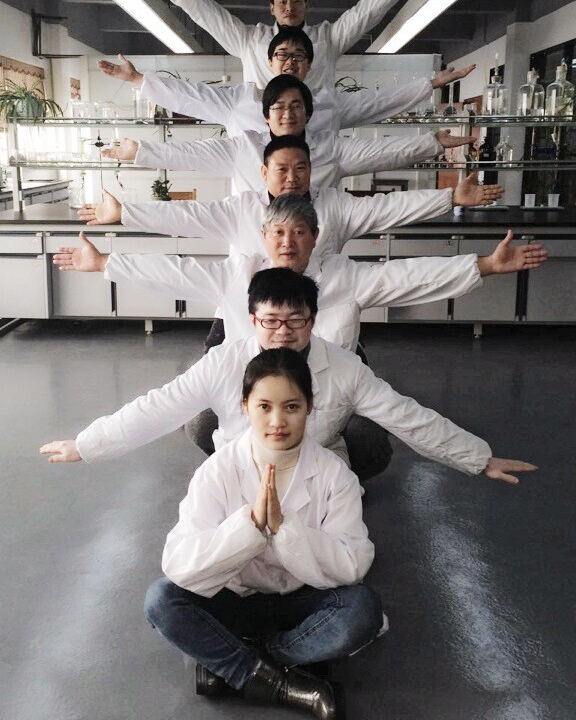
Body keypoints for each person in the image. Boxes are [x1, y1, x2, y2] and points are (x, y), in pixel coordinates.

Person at [40, 267, 538, 487]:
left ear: (313, 320)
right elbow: (160, 405)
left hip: (318, 471)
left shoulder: (342, 366)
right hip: (241, 469)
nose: (283, 332)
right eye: (270, 321)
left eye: (296, 320)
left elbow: (406, 415)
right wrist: (88, 444)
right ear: (251, 320)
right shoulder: (225, 361)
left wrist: (478, 458)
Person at [142, 349, 381, 717]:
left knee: (363, 611)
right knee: (161, 600)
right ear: (245, 406)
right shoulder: (218, 470)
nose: (277, 421)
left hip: (303, 602)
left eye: (291, 407)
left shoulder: (335, 475)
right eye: (264, 406)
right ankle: (287, 678)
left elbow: (353, 565)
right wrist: (250, 527)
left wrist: (286, 529)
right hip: (234, 599)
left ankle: (240, 665)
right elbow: (179, 564)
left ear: (310, 407)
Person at [53, 195, 548, 353]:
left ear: (315, 237)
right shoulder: (240, 274)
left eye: (298, 233)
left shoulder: (342, 275)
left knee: (370, 445)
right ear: (263, 238)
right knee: (202, 427)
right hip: (256, 392)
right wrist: (104, 263)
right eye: (278, 234)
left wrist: (485, 265)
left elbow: (406, 276)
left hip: (322, 392)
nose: (287, 243)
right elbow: (175, 272)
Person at [78, 135, 503, 260]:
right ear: (264, 173)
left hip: (319, 314)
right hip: (253, 318)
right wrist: (126, 213)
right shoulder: (242, 210)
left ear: (311, 171)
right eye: (281, 170)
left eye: (300, 168)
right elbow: (188, 215)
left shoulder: (335, 205)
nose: (292, 178)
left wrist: (449, 197)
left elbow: (388, 207)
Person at [101, 74, 478, 195]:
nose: (287, 113)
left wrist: (430, 142)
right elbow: (190, 151)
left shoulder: (328, 150)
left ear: (308, 112)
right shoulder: (244, 148)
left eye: (295, 106)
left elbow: (379, 149)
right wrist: (141, 151)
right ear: (265, 114)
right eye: (278, 107)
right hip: (255, 266)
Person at [98, 28, 476, 137]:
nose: (290, 62)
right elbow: (190, 95)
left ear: (309, 65)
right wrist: (137, 79)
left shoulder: (329, 103)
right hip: (255, 216)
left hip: (311, 216)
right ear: (269, 62)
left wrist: (431, 84)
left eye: (298, 56)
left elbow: (380, 101)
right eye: (282, 55)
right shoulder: (241, 100)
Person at [139, 0, 446, 88]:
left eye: (297, 0)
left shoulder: (327, 38)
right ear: (272, 8)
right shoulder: (251, 40)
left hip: (315, 135)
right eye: (282, 1)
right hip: (262, 136)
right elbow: (211, 16)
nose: (289, 7)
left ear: (307, 6)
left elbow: (364, 12)